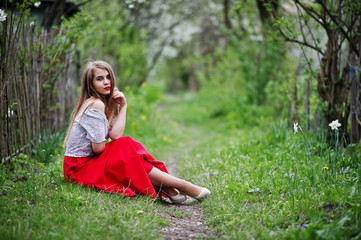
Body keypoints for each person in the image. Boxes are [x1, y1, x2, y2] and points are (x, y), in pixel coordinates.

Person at [63, 60, 210, 204]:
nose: (106, 82)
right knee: (125, 148)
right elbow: (98, 148)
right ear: (91, 84)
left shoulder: (104, 103)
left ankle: (170, 187)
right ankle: (180, 186)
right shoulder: (96, 104)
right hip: (78, 168)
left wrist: (124, 106)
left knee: (125, 146)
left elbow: (115, 136)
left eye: (108, 77)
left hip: (88, 163)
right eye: (99, 79)